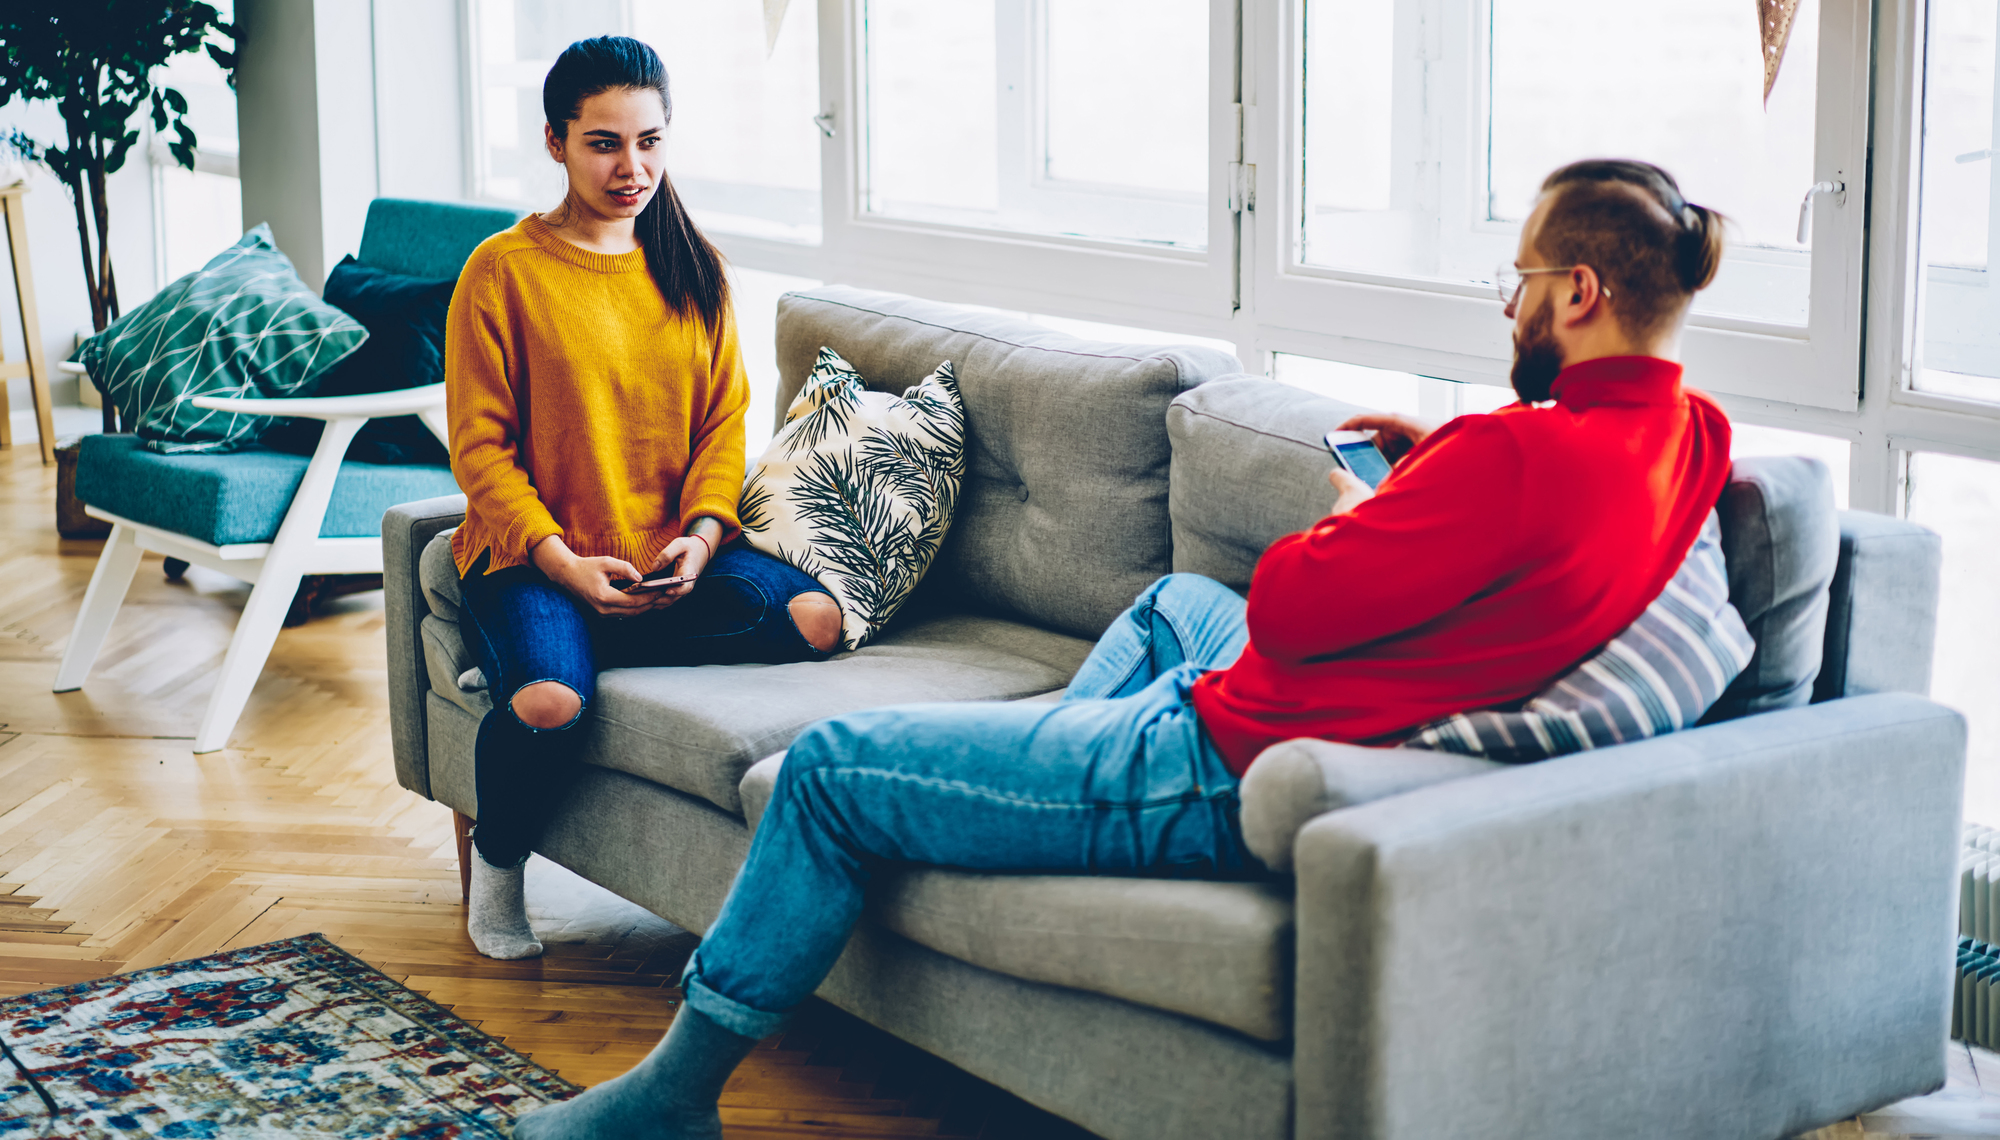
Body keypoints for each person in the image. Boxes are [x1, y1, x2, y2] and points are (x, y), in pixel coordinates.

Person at [511, 158, 1735, 1140]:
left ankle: (673, 1097)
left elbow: (1301, 598)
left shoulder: (1512, 456)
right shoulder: (1692, 435)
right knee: (1175, 600)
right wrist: (1431, 474)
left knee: (828, 771)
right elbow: (1526, 543)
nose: (1507, 304)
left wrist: (1363, 512)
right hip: (1318, 704)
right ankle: (1010, 769)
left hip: (1222, 758)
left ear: (1577, 292)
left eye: (1516, 280)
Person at [447, 36, 844, 962]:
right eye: (604, 144)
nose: (634, 168)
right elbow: (481, 452)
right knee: (550, 704)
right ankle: (500, 855)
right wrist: (564, 565)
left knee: (818, 620)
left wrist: (703, 539)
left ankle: (565, 645)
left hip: (670, 554)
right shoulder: (502, 272)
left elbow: (723, 427)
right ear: (555, 143)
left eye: (651, 141)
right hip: (535, 554)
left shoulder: (694, 267)